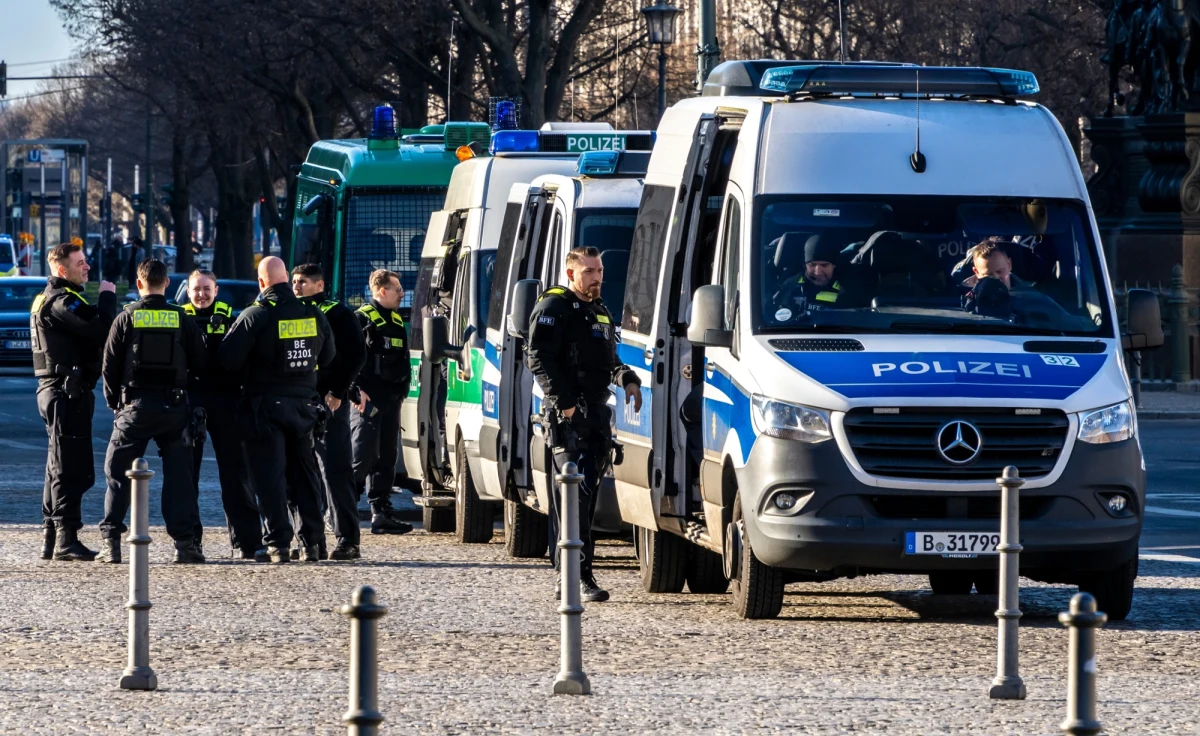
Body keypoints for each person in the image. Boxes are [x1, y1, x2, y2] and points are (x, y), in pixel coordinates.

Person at [526, 246, 642, 603]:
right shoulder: (554, 306)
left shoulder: (599, 311)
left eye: (600, 270)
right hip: (568, 417)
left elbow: (609, 359)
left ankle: (580, 571)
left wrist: (628, 379)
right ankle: (571, 577)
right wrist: (566, 407)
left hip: (596, 417)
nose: (597, 277)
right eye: (589, 271)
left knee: (586, 498)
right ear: (571, 274)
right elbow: (537, 357)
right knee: (572, 497)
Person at [220, 256, 334, 563]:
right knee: (306, 476)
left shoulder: (256, 315)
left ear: (261, 283)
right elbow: (329, 353)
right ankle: (313, 542)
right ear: (286, 279)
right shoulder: (312, 313)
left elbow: (228, 360)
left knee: (270, 479)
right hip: (304, 407)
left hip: (265, 408)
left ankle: (279, 545)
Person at [98, 259, 208, 563]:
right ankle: (185, 545)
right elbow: (200, 362)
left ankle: (111, 544)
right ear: (167, 284)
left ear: (138, 283)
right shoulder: (181, 317)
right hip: (174, 408)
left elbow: (109, 364)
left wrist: (115, 403)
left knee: (118, 473)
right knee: (179, 479)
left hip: (135, 407)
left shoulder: (127, 317)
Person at [31, 243, 118, 561]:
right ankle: (66, 538)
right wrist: (108, 297)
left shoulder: (49, 297)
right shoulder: (63, 300)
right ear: (62, 269)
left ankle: (52, 537)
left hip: (61, 389)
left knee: (57, 465)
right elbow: (100, 329)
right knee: (70, 467)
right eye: (80, 263)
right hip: (67, 391)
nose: (87, 267)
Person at [183, 269, 265, 561]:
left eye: (207, 289)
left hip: (227, 401)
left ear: (216, 291)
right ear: (188, 291)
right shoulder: (179, 317)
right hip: (189, 402)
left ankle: (248, 541)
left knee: (237, 474)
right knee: (186, 476)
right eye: (196, 289)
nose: (201, 295)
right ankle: (189, 541)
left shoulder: (231, 318)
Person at [292, 263, 370, 558]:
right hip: (298, 398)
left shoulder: (338, 313)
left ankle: (348, 539)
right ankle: (310, 540)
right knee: (300, 471)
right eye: (295, 281)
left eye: (303, 282)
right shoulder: (289, 310)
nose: (297, 286)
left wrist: (337, 392)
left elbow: (356, 355)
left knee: (336, 470)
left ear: (320, 285)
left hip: (329, 401)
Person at [350, 269, 414, 535]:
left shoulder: (396, 321)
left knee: (386, 457)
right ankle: (341, 507)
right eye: (397, 289)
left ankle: (381, 513)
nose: (402, 294)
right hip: (368, 400)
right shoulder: (363, 318)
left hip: (391, 399)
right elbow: (348, 358)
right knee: (363, 455)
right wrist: (354, 391)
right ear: (381, 290)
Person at [775, 234, 846, 316]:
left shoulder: (846, 289)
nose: (818, 272)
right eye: (812, 264)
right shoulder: (791, 285)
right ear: (805, 265)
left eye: (824, 265)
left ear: (834, 266)